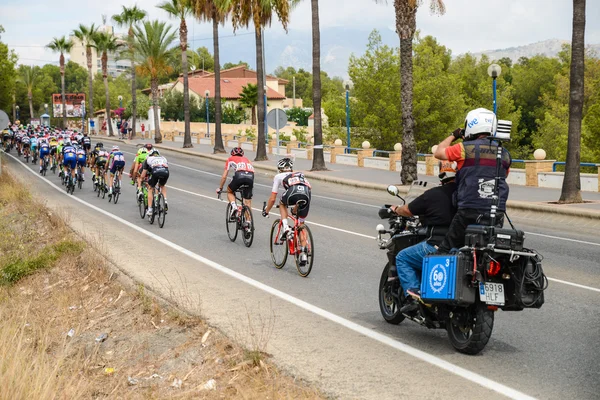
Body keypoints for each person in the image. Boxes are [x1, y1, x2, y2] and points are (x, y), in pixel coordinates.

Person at [434, 108, 512, 253]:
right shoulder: (505, 153)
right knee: (488, 251)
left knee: (445, 249)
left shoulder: (464, 148)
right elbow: (504, 175)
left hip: (469, 209)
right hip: (497, 211)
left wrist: (454, 135)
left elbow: (438, 152)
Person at [390, 161, 458, 313]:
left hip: (438, 245)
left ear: (442, 174)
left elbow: (408, 210)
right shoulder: (466, 196)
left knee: (402, 257)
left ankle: (413, 296)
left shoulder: (434, 194)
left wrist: (396, 209)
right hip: (462, 248)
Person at [262, 157, 312, 265]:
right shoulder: (298, 174)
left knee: (282, 203)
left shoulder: (278, 176)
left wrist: (266, 210)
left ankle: (285, 228)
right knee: (301, 224)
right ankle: (303, 252)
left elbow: (272, 198)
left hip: (292, 191)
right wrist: (295, 208)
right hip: (306, 193)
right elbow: (305, 190)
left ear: (280, 169)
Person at [216, 147, 255, 223]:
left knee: (230, 191)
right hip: (250, 176)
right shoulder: (247, 160)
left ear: (232, 154)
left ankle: (234, 207)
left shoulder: (230, 159)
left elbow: (224, 176)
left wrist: (220, 188)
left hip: (239, 175)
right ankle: (248, 224)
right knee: (247, 201)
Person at [139, 149, 169, 218]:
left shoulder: (148, 159)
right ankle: (165, 200)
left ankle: (150, 209)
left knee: (150, 188)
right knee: (162, 185)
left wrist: (141, 180)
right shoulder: (163, 158)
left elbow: (143, 175)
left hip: (156, 171)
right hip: (166, 172)